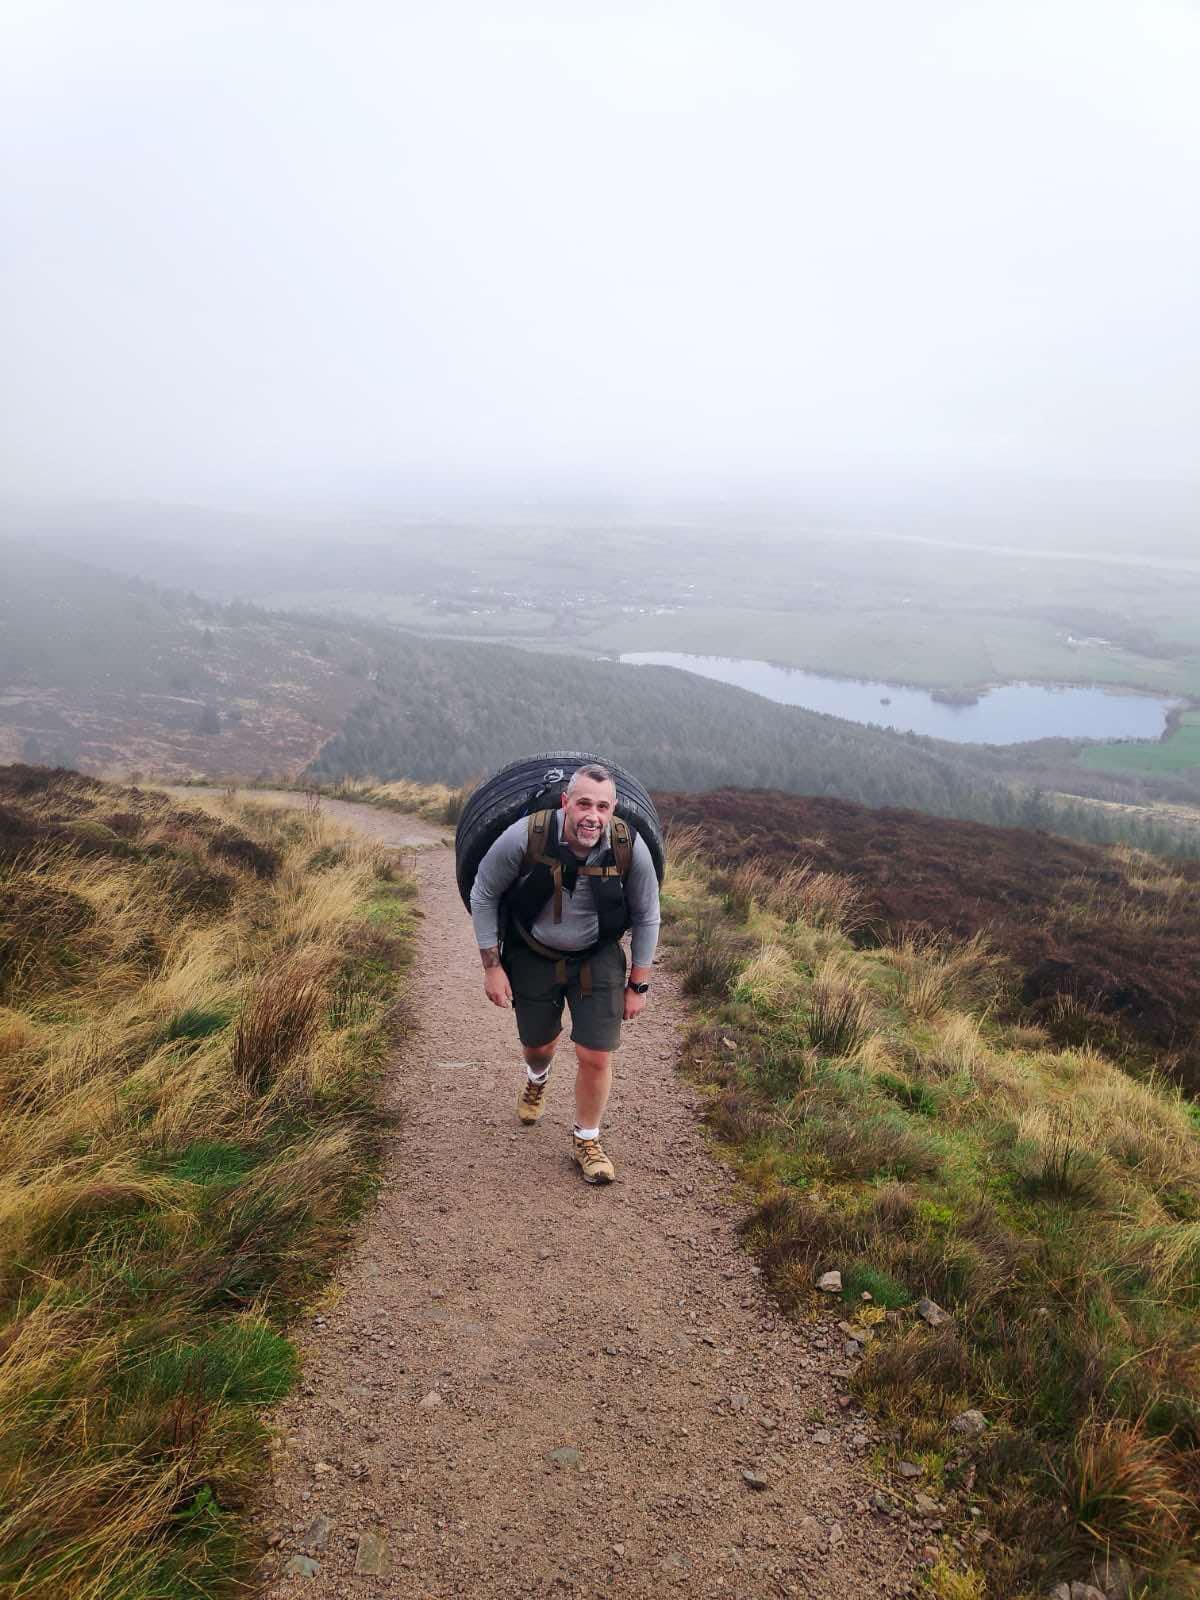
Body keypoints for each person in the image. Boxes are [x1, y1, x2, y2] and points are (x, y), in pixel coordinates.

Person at [470, 763, 661, 1184]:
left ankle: (587, 1139)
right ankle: (537, 1077)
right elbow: (483, 892)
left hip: (597, 957)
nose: (593, 815)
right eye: (584, 804)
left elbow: (648, 915)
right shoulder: (526, 837)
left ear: (613, 810)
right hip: (533, 953)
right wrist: (492, 967)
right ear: (565, 803)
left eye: (603, 806)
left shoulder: (629, 845)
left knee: (596, 1054)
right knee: (538, 1045)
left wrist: (638, 985)